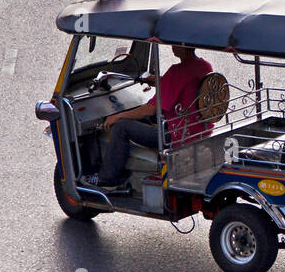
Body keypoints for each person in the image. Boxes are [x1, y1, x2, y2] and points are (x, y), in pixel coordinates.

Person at [87, 46, 213, 189]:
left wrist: (116, 116)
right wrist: (159, 81)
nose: (172, 47)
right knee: (137, 119)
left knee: (121, 126)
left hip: (175, 136)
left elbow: (149, 110)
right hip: (198, 129)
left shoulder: (177, 71)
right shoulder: (204, 66)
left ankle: (106, 178)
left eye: (174, 44)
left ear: (183, 46)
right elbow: (185, 85)